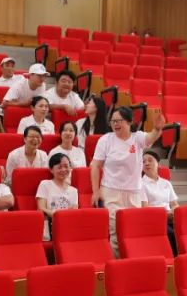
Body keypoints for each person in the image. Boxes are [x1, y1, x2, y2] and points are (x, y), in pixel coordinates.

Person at [91, 106, 164, 249]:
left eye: (118, 121)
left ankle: (131, 260)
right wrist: (95, 191)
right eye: (112, 121)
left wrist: (157, 129)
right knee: (115, 232)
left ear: (129, 122)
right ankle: (116, 262)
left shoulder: (138, 138)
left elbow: (151, 136)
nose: (115, 124)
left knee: (132, 232)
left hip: (134, 192)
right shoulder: (105, 140)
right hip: (111, 191)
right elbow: (95, 166)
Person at [36, 152, 78, 240]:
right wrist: (56, 215)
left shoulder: (74, 190)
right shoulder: (45, 184)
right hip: (50, 225)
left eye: (66, 166)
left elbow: (74, 212)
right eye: (59, 167)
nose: (63, 170)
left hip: (67, 226)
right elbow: (41, 208)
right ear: (51, 170)